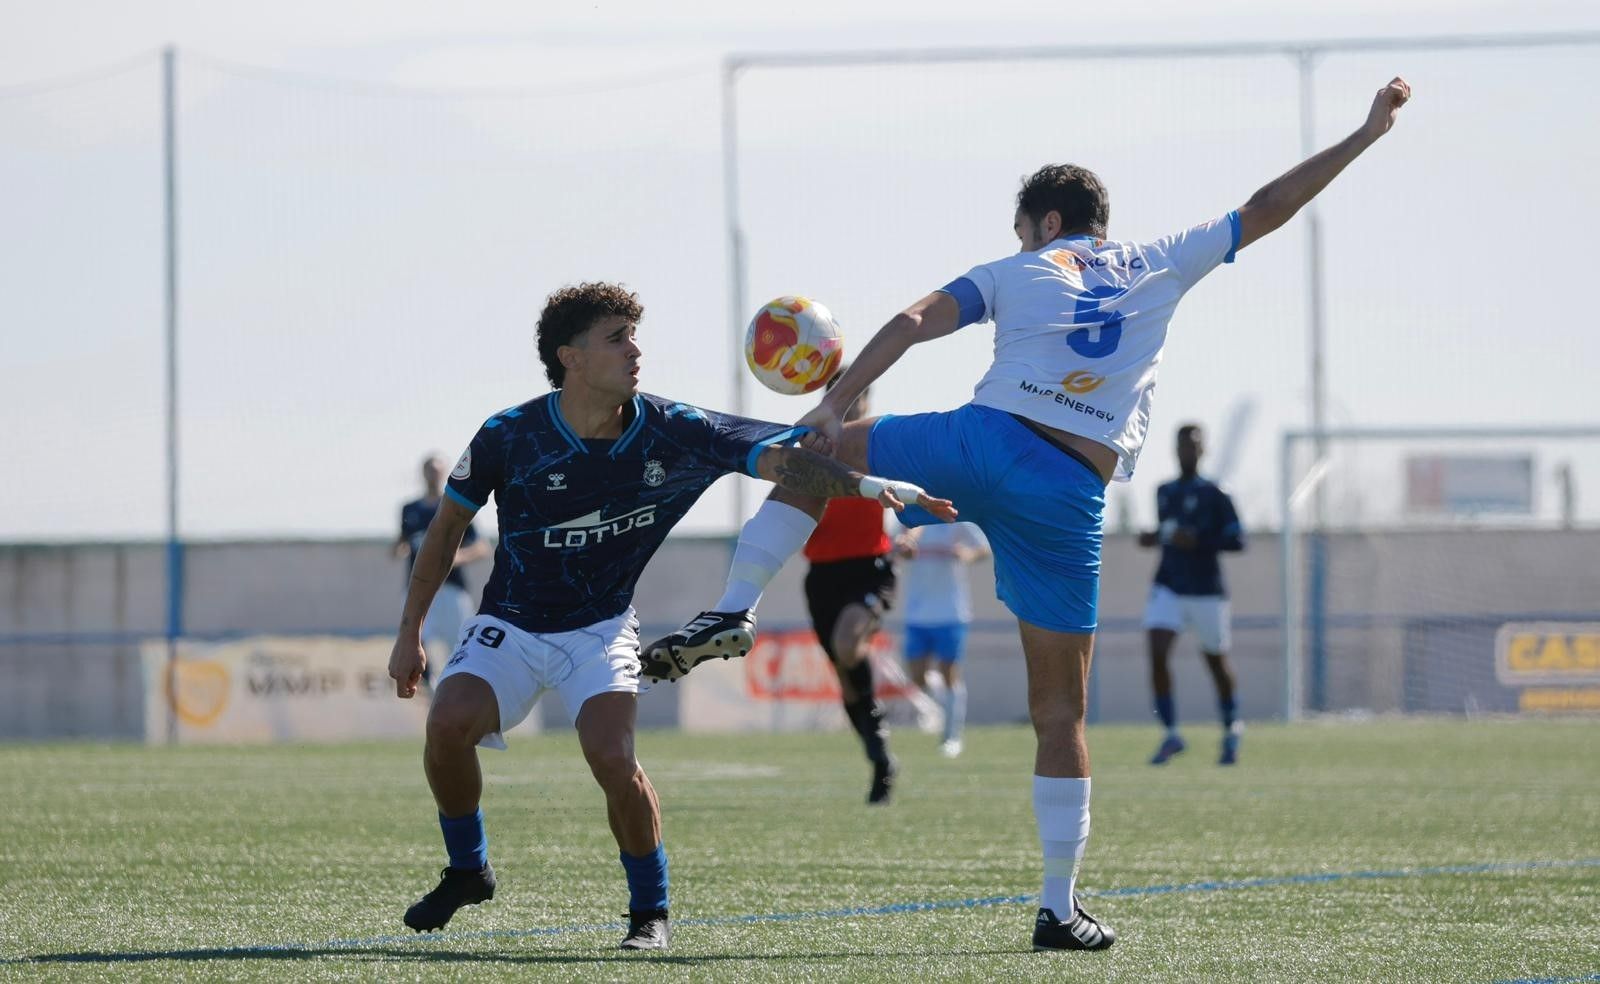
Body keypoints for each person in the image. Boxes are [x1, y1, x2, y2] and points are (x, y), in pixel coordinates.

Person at [646, 78, 1413, 954]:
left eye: (1021, 228)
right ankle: (1058, 908)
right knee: (1061, 713)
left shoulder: (1018, 268)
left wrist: (838, 403)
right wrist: (1364, 135)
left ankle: (734, 605)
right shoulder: (1163, 257)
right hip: (1065, 495)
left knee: (824, 458)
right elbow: (1268, 206)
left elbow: (911, 319)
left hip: (981, 442)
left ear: (1046, 224)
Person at [387, 282, 955, 951]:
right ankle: (467, 869)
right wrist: (409, 633)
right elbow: (448, 528)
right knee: (447, 724)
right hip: (508, 623)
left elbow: (787, 461)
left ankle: (648, 914)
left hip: (598, 630)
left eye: (635, 335)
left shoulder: (673, 428)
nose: (636, 351)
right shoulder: (510, 435)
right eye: (617, 338)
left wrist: (868, 487)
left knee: (610, 754)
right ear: (571, 357)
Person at [799, 378, 901, 804]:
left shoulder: (881, 443)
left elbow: (904, 495)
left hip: (869, 569)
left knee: (847, 642)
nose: (850, 404)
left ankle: (877, 736)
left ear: (867, 399)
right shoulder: (811, 449)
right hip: (822, 575)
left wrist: (907, 531)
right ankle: (879, 759)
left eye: (858, 395)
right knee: (845, 678)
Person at [1139, 424, 1246, 766]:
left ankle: (1231, 730)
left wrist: (1198, 540)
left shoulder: (1217, 494)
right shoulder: (1164, 491)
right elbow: (1168, 533)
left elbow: (1238, 539)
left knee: (1216, 662)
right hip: (1168, 585)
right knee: (1157, 650)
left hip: (1206, 592)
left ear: (1204, 451)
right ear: (1175, 449)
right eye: (1183, 445)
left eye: (1194, 446)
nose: (1188, 451)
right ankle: (1171, 734)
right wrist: (1153, 538)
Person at [394, 454, 492, 686]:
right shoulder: (410, 508)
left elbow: (481, 546)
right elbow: (403, 540)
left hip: (451, 589)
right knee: (414, 642)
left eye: (437, 471)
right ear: (422, 473)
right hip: (418, 590)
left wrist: (456, 557)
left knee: (462, 650)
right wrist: (399, 548)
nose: (433, 475)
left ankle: (464, 695)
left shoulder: (455, 506)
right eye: (429, 470)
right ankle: (428, 690)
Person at [897, 520, 989, 758]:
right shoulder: (910, 518)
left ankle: (951, 736)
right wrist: (904, 547)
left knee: (949, 672)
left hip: (951, 612)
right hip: (917, 613)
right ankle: (947, 706)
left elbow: (983, 548)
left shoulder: (956, 519)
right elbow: (896, 548)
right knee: (917, 677)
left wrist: (966, 555)